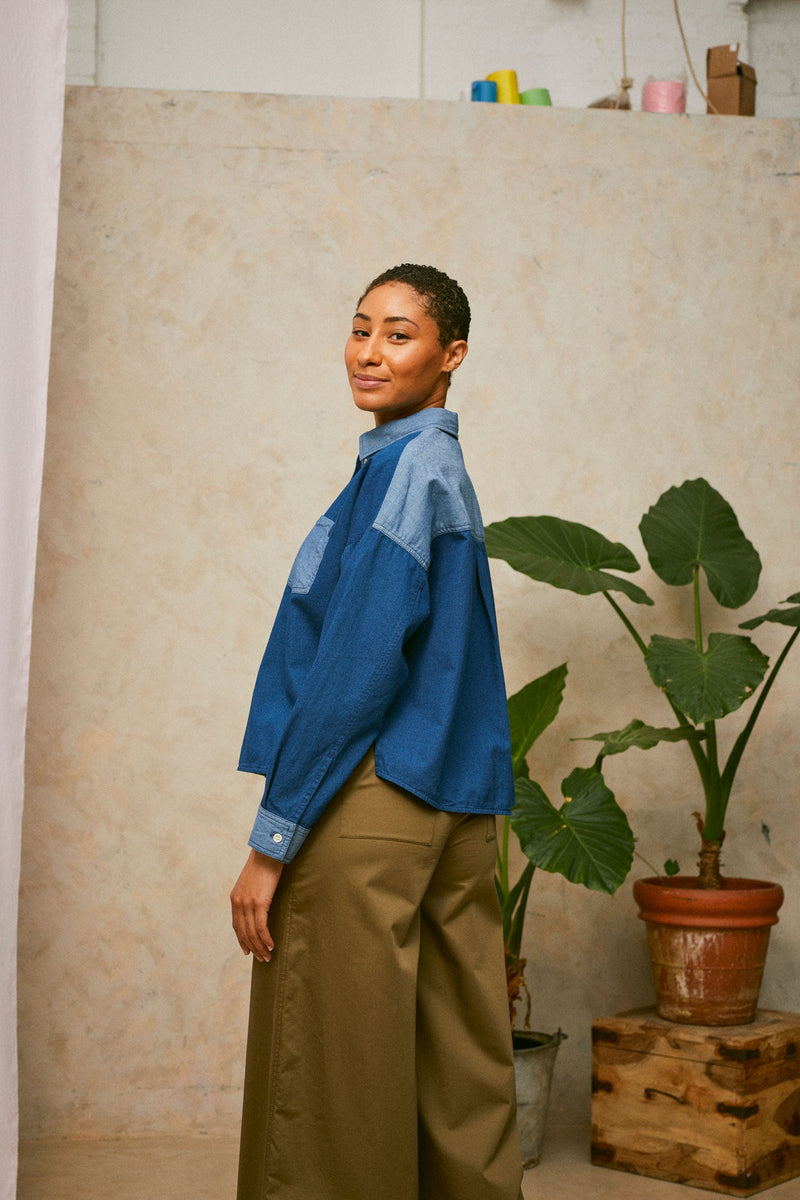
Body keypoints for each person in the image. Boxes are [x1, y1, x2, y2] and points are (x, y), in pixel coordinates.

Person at [230, 263, 524, 1200]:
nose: (369, 351)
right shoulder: (441, 470)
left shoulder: (405, 472)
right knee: (459, 1076)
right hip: (458, 808)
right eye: (362, 328)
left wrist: (272, 842)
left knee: (327, 1086)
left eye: (400, 334)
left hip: (373, 804)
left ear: (452, 357)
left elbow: (356, 673)